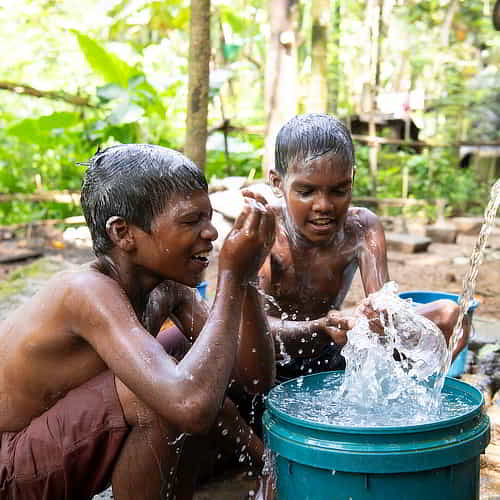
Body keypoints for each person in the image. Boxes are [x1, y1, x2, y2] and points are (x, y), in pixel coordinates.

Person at [0, 144, 276, 500]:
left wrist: (248, 278)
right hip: (10, 466)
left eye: (208, 218)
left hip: (55, 445)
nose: (211, 234)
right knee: (160, 395)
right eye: (192, 220)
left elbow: (253, 376)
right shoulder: (85, 292)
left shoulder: (167, 288)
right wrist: (232, 279)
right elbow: (189, 405)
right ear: (123, 233)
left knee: (192, 363)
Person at [256, 113, 463, 383]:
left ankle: (420, 396)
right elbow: (251, 327)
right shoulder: (264, 230)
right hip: (272, 359)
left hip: (335, 349)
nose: (324, 206)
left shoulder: (361, 227)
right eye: (306, 192)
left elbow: (384, 305)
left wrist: (380, 315)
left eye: (339, 191)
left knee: (450, 315)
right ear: (277, 183)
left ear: (351, 179)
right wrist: (318, 327)